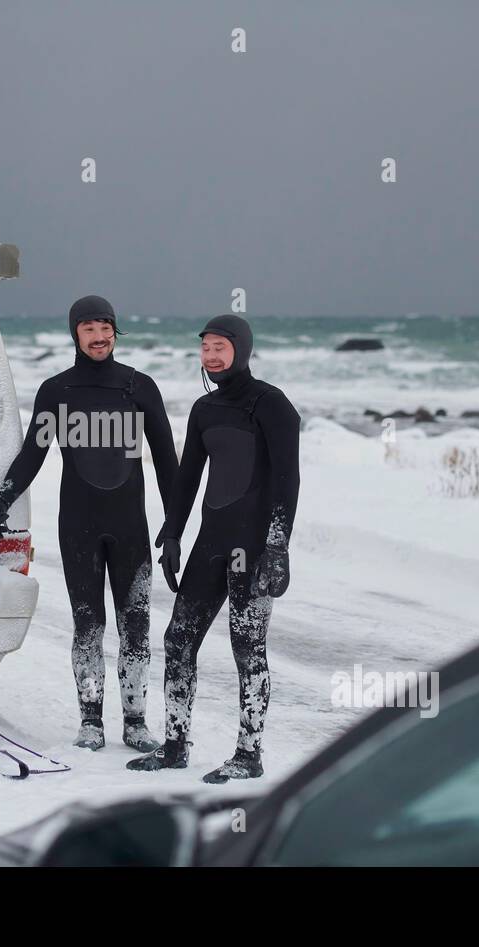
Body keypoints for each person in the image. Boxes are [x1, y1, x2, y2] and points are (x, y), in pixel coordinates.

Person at [0, 295, 178, 751]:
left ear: (115, 332)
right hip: (78, 527)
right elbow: (34, 451)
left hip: (130, 526)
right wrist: (4, 497)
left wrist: (174, 529)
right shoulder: (57, 391)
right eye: (90, 328)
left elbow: (170, 465)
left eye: (106, 327)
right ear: (75, 333)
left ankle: (135, 721)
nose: (100, 336)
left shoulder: (140, 387)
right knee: (87, 624)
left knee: (135, 625)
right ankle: (91, 721)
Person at [127, 314, 300, 782]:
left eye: (220, 347)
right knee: (178, 640)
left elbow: (287, 482)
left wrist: (277, 546)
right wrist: (173, 532)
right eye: (205, 348)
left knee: (249, 649)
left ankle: (249, 754)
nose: (212, 356)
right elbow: (188, 478)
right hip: (211, 543)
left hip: (254, 548)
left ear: (241, 349)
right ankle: (175, 744)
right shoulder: (205, 410)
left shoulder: (272, 405)